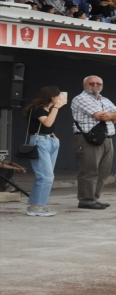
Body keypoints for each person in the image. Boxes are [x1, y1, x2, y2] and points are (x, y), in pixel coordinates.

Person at [71, 75, 116, 210]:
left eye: (98, 83)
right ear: (84, 85)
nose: (95, 86)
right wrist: (111, 116)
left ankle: (94, 198)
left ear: (102, 85)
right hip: (88, 139)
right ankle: (86, 200)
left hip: (107, 138)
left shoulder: (104, 99)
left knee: (103, 171)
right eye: (91, 83)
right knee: (89, 171)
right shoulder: (80, 99)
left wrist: (111, 116)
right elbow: (99, 115)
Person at [20, 87, 66, 216]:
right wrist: (56, 108)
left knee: (46, 175)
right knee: (46, 176)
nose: (59, 98)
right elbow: (47, 123)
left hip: (49, 140)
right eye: (57, 95)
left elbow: (47, 127)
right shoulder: (37, 109)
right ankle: (35, 207)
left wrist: (53, 135)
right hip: (40, 141)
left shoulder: (47, 109)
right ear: (51, 96)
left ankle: (37, 204)